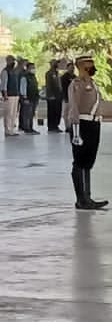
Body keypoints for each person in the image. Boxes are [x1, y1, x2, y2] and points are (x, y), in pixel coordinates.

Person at [66, 56, 109, 211]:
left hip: (94, 124)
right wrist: (76, 132)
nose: (93, 67)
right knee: (80, 161)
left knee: (89, 162)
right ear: (82, 67)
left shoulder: (92, 83)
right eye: (90, 65)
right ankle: (81, 199)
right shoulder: (76, 84)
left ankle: (87, 197)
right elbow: (74, 108)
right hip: (82, 125)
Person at [46, 60, 65, 132]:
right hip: (52, 96)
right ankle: (51, 126)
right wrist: (51, 95)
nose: (57, 64)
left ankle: (56, 125)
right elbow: (49, 85)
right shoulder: (49, 73)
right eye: (55, 63)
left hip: (58, 95)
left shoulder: (57, 73)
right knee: (52, 112)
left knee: (58, 111)